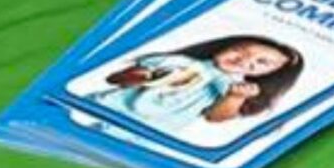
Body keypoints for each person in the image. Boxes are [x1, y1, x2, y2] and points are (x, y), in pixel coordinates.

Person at [104, 36, 304, 128]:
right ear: (225, 45)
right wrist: (144, 77)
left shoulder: (229, 87)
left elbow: (214, 117)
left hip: (147, 131)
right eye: (240, 50)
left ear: (269, 74)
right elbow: (114, 79)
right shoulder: (178, 61)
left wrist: (235, 97)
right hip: (110, 107)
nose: (245, 60)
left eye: (262, 63)